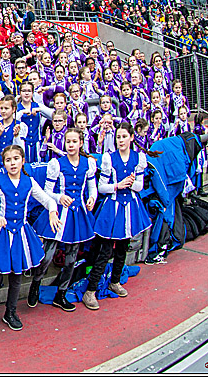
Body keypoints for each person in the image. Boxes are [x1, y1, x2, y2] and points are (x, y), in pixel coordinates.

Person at [0, 144, 59, 339]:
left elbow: (48, 200)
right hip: (0, 236)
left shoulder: (29, 182)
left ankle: (10, 312)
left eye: (16, 159)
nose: (13, 163)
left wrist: (52, 212)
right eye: (8, 160)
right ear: (4, 163)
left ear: (22, 161)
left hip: (21, 235)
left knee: (17, 278)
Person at [82, 122, 152, 310]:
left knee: (123, 247)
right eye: (118, 137)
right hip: (112, 207)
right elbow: (101, 187)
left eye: (124, 137)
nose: (120, 140)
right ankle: (91, 290)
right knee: (105, 250)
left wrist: (131, 183)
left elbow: (140, 186)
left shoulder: (139, 158)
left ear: (131, 137)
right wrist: (118, 185)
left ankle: (115, 281)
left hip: (130, 208)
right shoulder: (108, 159)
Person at [30, 127, 98, 312]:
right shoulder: (57, 164)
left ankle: (61, 294)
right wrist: (59, 197)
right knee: (48, 254)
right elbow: (46, 191)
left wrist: (92, 198)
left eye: (74, 142)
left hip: (78, 214)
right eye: (68, 142)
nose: (71, 145)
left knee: (72, 257)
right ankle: (35, 284)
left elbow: (92, 188)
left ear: (81, 143)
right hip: (58, 214)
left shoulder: (88, 164)